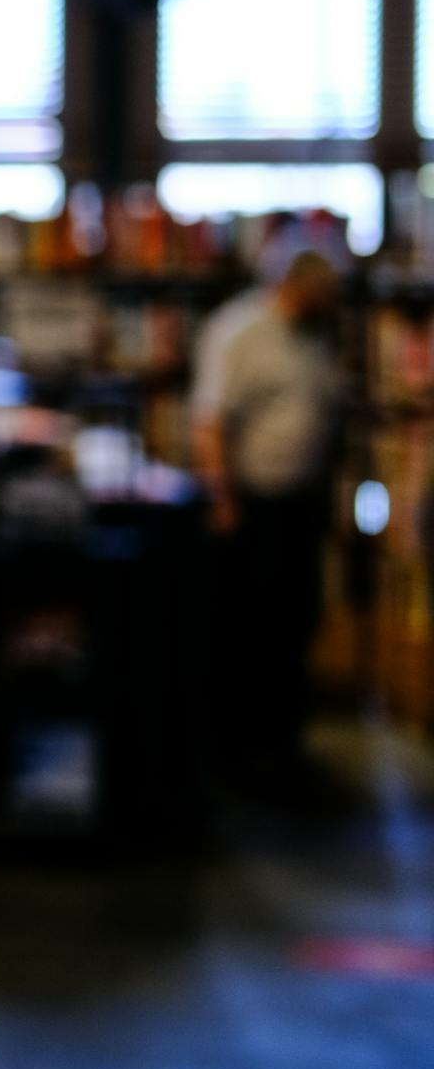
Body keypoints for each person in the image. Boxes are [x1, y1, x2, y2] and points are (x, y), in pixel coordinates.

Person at [190, 241, 343, 783]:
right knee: (252, 631)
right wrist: (223, 499)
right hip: (254, 507)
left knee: (295, 622)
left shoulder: (313, 335)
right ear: (297, 285)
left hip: (300, 502)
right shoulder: (240, 332)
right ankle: (243, 755)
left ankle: (283, 746)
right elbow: (209, 423)